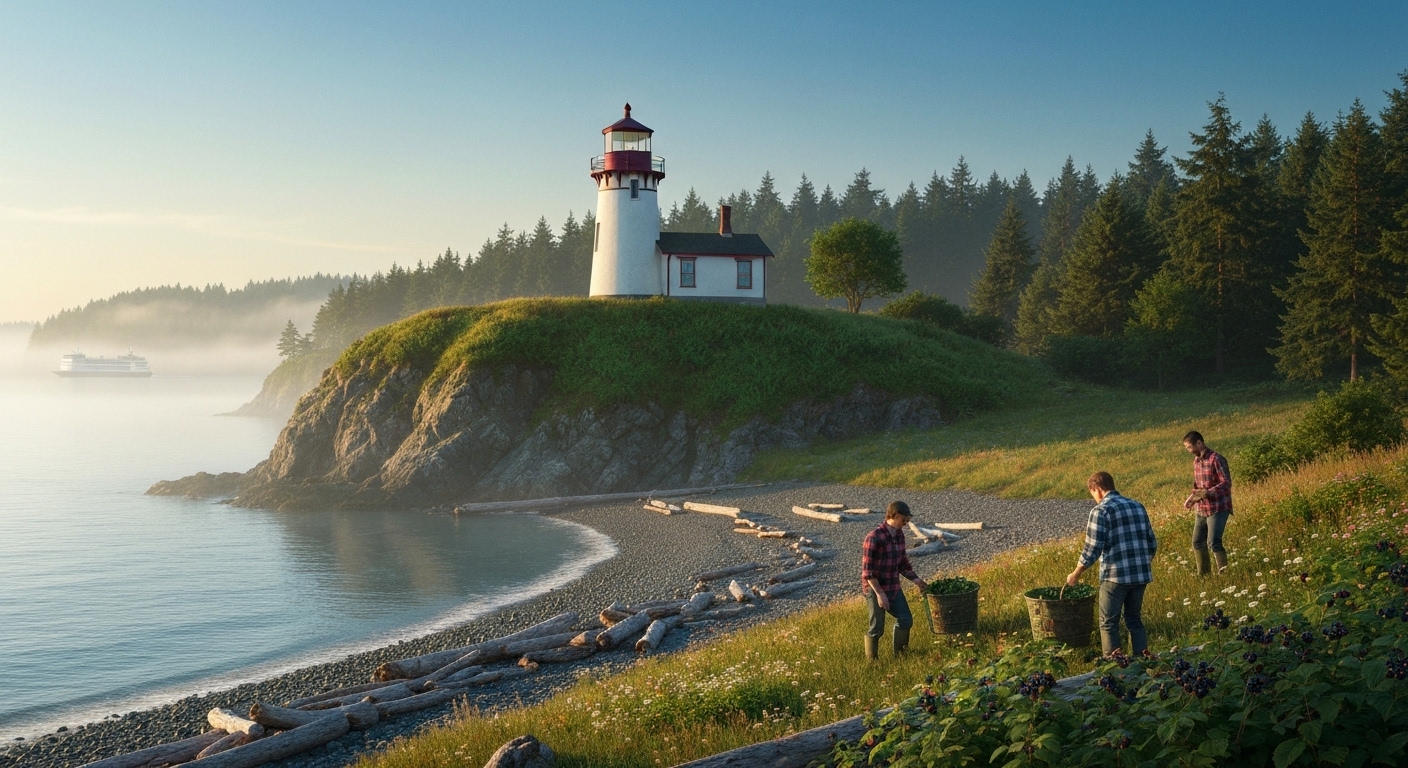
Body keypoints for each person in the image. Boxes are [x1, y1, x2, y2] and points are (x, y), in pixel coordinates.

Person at [1066, 471, 1157, 657]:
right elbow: (1151, 542)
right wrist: (1142, 564)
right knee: (1134, 620)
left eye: (1092, 493)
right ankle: (1142, 661)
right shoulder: (1137, 506)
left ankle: (1114, 667)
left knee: (1108, 622)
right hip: (1141, 575)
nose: (1094, 498)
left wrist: (1075, 573)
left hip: (1115, 576)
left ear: (1097, 489)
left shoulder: (1100, 511)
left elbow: (1092, 548)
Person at [861, 501, 927, 659]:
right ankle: (872, 662)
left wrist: (917, 580)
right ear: (895, 516)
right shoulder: (874, 538)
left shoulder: (899, 535)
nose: (906, 523)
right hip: (874, 588)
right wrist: (880, 594)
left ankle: (901, 656)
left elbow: (903, 563)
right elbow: (868, 573)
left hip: (893, 586)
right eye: (904, 520)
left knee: (905, 619)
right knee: (877, 628)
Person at [1182, 430, 1232, 575]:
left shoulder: (1216, 459)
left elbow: (1226, 483)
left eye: (1189, 447)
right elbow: (1198, 485)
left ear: (1199, 443)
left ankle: (1224, 575)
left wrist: (1208, 492)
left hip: (1218, 507)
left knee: (1213, 542)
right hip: (1202, 508)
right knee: (1197, 542)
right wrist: (1192, 498)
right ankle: (1203, 575)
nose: (1189, 451)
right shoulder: (1196, 461)